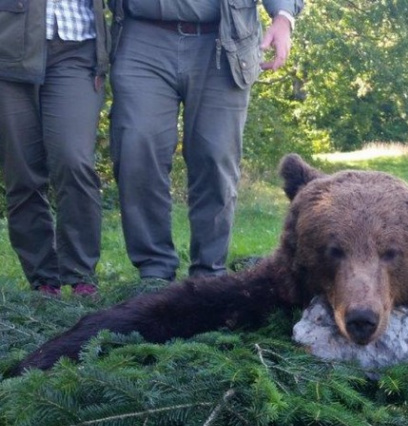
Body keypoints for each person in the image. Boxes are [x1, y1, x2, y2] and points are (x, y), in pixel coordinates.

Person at [108, 1, 303, 282]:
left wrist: (283, 18)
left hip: (223, 42)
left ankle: (208, 275)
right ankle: (154, 271)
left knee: (215, 156)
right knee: (136, 146)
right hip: (143, 37)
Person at [0, 0, 109, 297]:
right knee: (22, 173)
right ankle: (43, 280)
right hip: (8, 50)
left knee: (74, 160)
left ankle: (81, 274)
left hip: (78, 48)